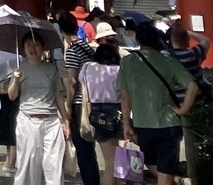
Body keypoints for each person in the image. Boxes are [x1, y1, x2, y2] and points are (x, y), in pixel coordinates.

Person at [118, 21, 196, 185]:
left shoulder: (127, 63)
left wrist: (126, 124)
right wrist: (182, 110)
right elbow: (193, 86)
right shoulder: (168, 61)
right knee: (165, 169)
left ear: (138, 40)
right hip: (168, 123)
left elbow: (125, 96)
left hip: (142, 123)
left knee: (152, 162)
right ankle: (178, 180)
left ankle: (178, 180)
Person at [7, 34, 67, 185]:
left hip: (51, 120)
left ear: (43, 47)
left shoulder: (51, 68)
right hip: (28, 120)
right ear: (23, 49)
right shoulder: (20, 69)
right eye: (28, 45)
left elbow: (58, 95)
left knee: (54, 164)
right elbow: (12, 96)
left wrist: (66, 120)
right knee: (28, 163)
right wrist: (15, 79)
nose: (32, 48)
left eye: (36, 44)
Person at [78, 35, 124, 185]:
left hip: (97, 112)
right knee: (115, 158)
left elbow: (81, 82)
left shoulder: (87, 68)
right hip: (117, 111)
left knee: (109, 160)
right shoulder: (118, 70)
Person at [59, 12, 97, 185]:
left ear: (61, 30)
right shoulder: (87, 47)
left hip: (79, 103)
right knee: (90, 147)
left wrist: (67, 106)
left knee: (83, 148)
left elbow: (73, 82)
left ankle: (90, 181)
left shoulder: (73, 51)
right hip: (93, 99)